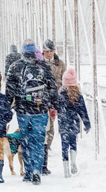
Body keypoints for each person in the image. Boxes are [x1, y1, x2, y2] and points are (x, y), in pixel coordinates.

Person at [5, 39, 58, 185]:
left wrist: (7, 107)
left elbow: (9, 90)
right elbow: (52, 87)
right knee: (39, 141)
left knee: (26, 140)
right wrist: (54, 104)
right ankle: (37, 170)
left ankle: (28, 172)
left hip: (23, 110)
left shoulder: (15, 67)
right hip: (40, 109)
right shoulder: (44, 67)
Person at [55, 68, 91, 178]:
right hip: (74, 122)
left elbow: (56, 107)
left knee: (64, 145)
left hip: (63, 122)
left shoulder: (60, 95)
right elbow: (83, 111)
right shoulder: (78, 96)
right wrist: (87, 123)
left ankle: (66, 169)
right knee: (73, 144)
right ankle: (73, 161)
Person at [41, 39, 67, 175]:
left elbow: (64, 80)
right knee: (42, 126)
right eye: (46, 51)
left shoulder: (60, 64)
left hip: (54, 99)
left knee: (50, 127)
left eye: (51, 51)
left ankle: (46, 147)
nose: (49, 53)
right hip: (41, 99)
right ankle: (42, 149)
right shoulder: (39, 63)